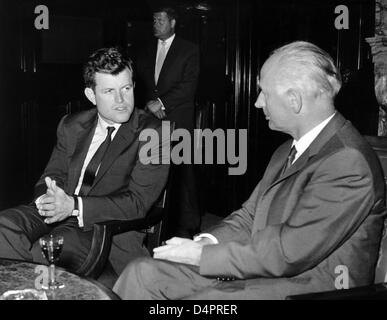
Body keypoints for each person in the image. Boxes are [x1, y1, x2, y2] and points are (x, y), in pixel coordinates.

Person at [113, 41, 386, 299]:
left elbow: (289, 253)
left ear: (294, 101)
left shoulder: (347, 161)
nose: (257, 103)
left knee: (207, 302)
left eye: (263, 93)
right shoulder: (287, 150)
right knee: (143, 272)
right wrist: (206, 241)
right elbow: (250, 215)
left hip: (312, 287)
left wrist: (200, 256)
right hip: (266, 268)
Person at [0, 47, 169, 276]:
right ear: (91, 96)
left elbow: (137, 203)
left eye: (126, 88)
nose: (121, 100)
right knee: (4, 227)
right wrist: (48, 199)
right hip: (57, 212)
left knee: (46, 249)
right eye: (109, 91)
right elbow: (52, 175)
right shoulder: (71, 125)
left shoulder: (153, 133)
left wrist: (74, 206)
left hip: (103, 232)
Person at [135, 6, 201, 238]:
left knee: (182, 172)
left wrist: (161, 103)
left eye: (160, 20)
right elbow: (140, 84)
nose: (156, 24)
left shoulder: (189, 50)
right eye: (154, 20)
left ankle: (189, 225)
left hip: (178, 119)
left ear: (172, 23)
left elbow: (188, 86)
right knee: (152, 169)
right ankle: (154, 224)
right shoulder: (144, 50)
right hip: (151, 120)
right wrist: (150, 105)